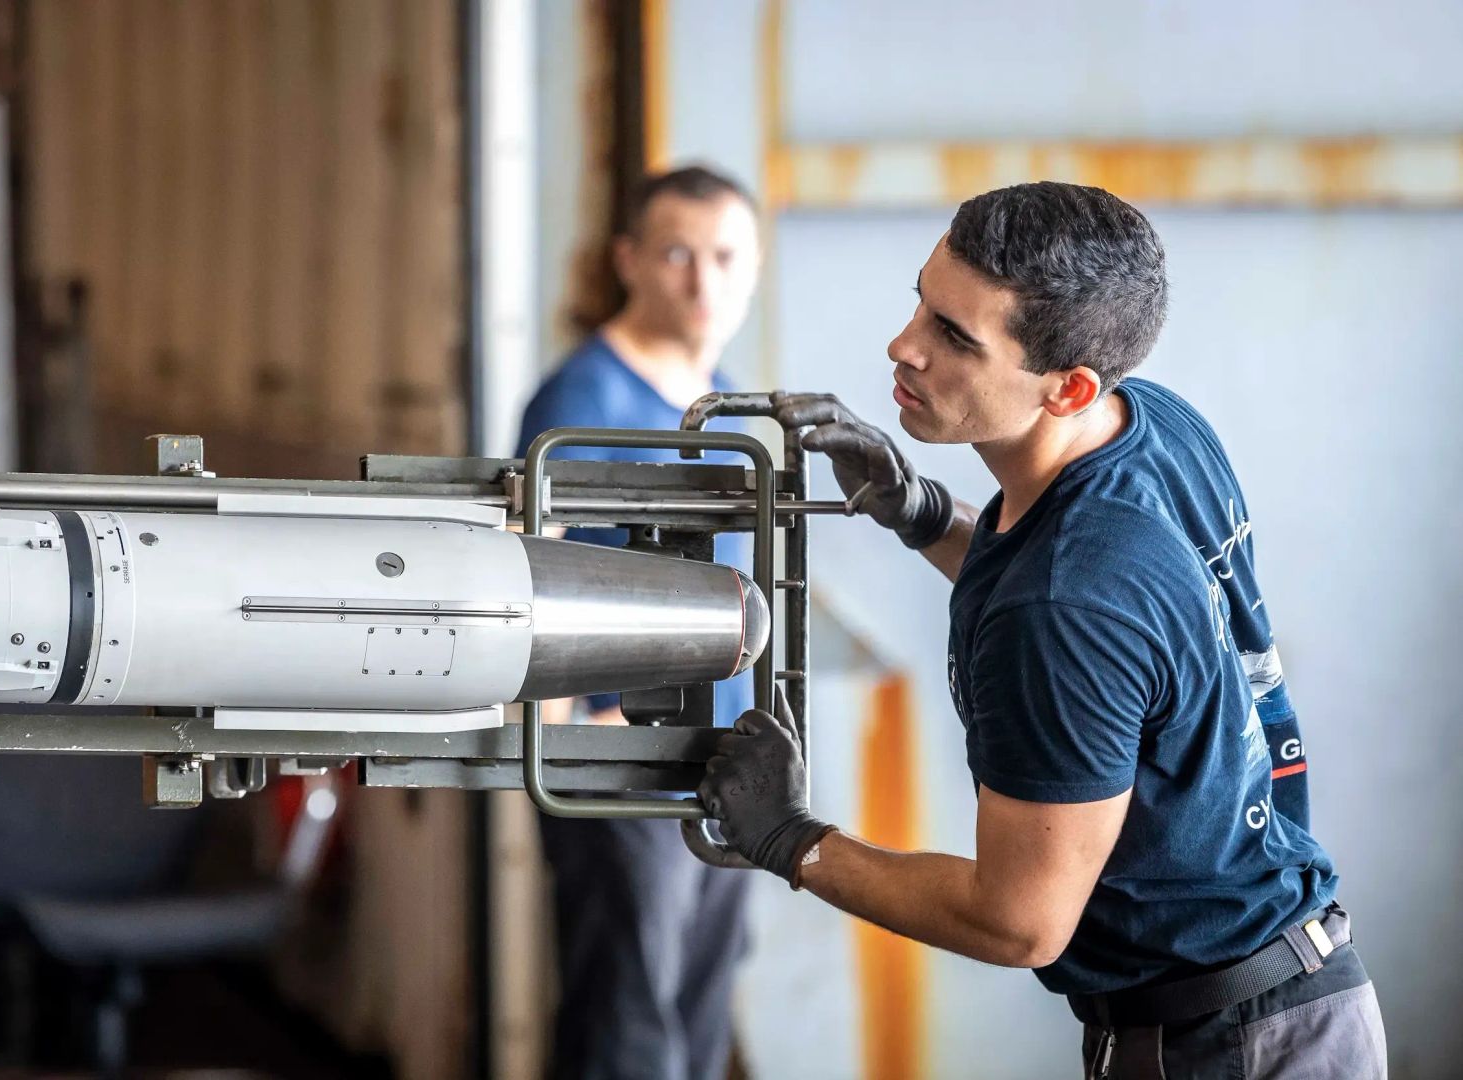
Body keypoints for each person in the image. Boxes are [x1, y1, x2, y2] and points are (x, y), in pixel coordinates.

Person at [699, 182, 1386, 1078]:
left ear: (1068, 388)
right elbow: (1098, 626)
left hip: (1231, 1046)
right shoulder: (1151, 428)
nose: (903, 346)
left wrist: (793, 840)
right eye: (923, 303)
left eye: (955, 338)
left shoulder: (1066, 601)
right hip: (1285, 995)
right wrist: (922, 513)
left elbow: (1018, 920)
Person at [516, 164, 762, 1080]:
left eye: (725, 256)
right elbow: (525, 584)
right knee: (627, 1024)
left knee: (698, 1016)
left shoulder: (718, 395)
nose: (704, 282)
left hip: (717, 765)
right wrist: (569, 735)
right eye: (676, 253)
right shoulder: (582, 402)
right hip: (621, 774)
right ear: (628, 261)